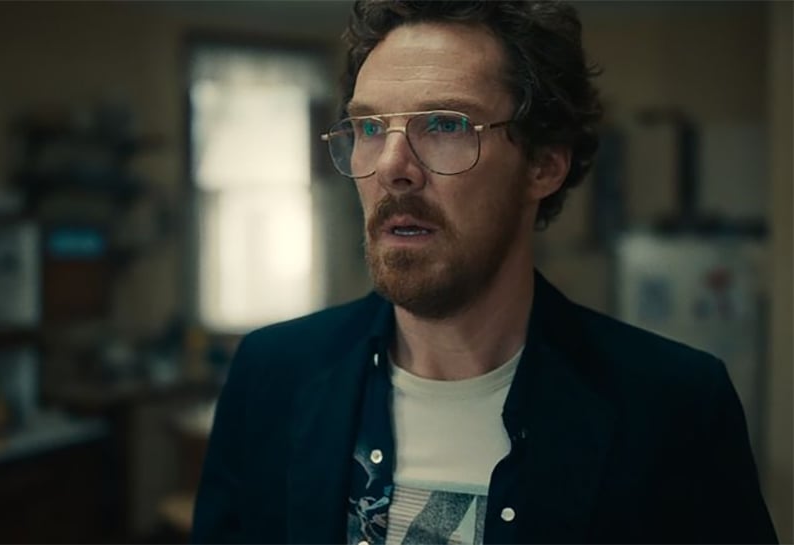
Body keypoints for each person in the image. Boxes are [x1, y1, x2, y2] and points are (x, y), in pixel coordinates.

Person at [190, 1, 778, 543]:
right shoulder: (272, 375)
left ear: (544, 164)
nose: (393, 167)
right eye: (370, 128)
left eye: (445, 125)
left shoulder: (675, 410)